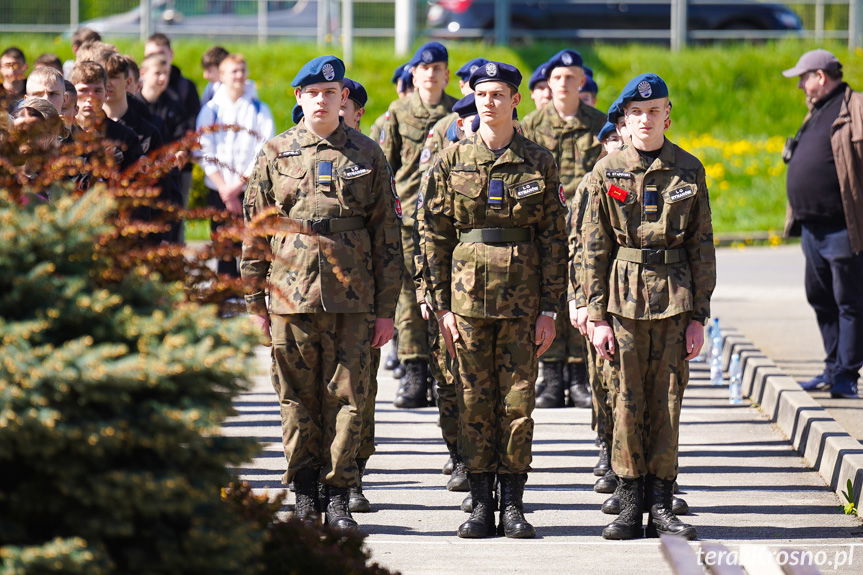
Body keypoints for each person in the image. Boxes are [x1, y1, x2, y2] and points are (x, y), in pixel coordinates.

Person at [240, 55, 402, 532]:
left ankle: (339, 495)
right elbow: (254, 232)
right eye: (313, 92)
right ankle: (304, 492)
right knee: (296, 399)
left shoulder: (367, 153)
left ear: (343, 99)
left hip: (353, 298)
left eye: (331, 93)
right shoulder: (275, 153)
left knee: (350, 399)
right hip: (290, 296)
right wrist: (254, 302)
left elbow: (387, 236)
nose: (322, 99)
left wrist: (386, 310)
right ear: (299, 98)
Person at [423, 61, 566, 539]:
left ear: (515, 100)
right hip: (466, 304)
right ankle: (481, 504)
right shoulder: (451, 160)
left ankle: (514, 505)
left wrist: (549, 310)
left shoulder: (538, 160)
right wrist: (440, 306)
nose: (490, 102)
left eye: (499, 94)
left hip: (523, 305)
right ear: (474, 99)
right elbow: (433, 237)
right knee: (472, 402)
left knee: (518, 404)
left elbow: (553, 239)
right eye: (482, 94)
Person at [584, 73, 715, 540]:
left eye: (653, 111)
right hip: (622, 302)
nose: (645, 119)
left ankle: (662, 503)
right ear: (625, 119)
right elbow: (594, 246)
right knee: (624, 401)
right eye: (636, 113)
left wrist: (700, 316)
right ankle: (629, 501)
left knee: (667, 403)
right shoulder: (608, 171)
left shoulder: (688, 168)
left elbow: (702, 245)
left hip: (676, 300)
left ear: (667, 114)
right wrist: (595, 315)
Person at [521, 49, 606, 410]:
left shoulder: (599, 124)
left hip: (588, 224)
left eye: (571, 78)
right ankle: (551, 374)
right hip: (546, 223)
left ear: (581, 82)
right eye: (557, 78)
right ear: (549, 82)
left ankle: (578, 373)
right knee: (550, 291)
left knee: (582, 291)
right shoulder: (531, 125)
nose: (564, 84)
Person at [781, 49, 863, 399]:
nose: (800, 85)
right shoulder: (816, 111)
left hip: (843, 226)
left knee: (850, 302)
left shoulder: (856, 107)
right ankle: (832, 367)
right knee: (820, 297)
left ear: (821, 76)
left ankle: (846, 375)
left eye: (804, 77)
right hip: (812, 228)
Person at [381, 41, 458, 409]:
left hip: (447, 220)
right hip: (409, 217)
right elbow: (385, 168)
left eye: (437, 68)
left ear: (446, 74)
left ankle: (445, 367)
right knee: (410, 298)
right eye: (423, 68)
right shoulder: (398, 113)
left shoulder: (458, 113)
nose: (430, 74)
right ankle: (414, 370)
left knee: (444, 295)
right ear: (414, 73)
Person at [197, 53, 274, 277]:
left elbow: (264, 149)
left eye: (242, 70)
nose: (239, 76)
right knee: (224, 248)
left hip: (248, 191)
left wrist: (239, 185)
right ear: (222, 76)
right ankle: (225, 297)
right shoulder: (211, 110)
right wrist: (224, 188)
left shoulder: (259, 109)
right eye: (233, 71)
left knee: (250, 246)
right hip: (218, 191)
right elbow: (205, 149)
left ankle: (250, 298)